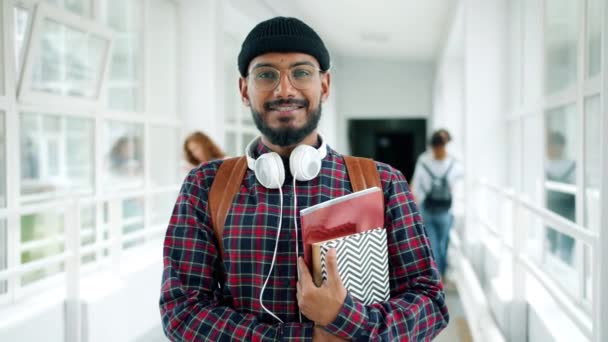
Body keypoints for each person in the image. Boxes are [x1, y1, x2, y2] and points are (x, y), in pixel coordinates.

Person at [160, 16, 448, 341]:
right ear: (244, 89)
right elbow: (181, 311)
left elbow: (430, 303)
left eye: (301, 73)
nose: (284, 89)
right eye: (267, 74)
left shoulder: (383, 183)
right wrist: (309, 339)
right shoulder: (205, 186)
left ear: (324, 85)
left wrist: (345, 317)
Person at [411, 129, 463, 278]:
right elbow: (459, 186)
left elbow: (416, 186)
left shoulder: (424, 161)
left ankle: (437, 276)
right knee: (440, 245)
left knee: (435, 245)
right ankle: (440, 275)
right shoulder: (454, 164)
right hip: (446, 210)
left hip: (428, 208)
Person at [545, 131, 576, 264]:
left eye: (555, 146)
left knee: (565, 244)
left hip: (567, 209)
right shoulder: (547, 165)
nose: (552, 149)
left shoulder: (571, 165)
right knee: (554, 241)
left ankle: (562, 265)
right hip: (555, 208)